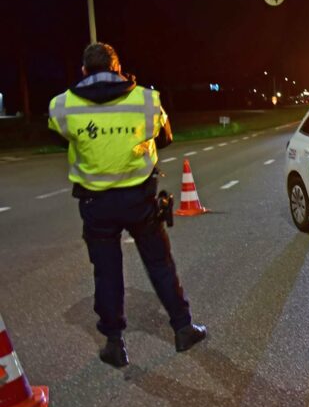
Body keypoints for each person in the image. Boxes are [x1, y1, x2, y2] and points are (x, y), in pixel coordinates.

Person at [48, 43, 206, 368]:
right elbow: (165, 138)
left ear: (83, 71)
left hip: (96, 204)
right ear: (118, 68)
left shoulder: (62, 105)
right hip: (140, 200)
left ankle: (115, 344)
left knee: (106, 272)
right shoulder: (146, 99)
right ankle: (182, 328)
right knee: (160, 264)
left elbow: (60, 139)